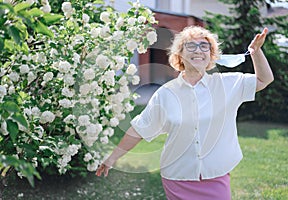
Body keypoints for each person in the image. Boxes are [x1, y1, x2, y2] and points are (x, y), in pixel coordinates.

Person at [96, 26, 274, 199]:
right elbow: (139, 129)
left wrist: (255, 52)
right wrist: (112, 159)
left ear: (210, 55)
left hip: (215, 175)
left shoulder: (227, 84)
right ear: (180, 54)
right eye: (191, 45)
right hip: (178, 177)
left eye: (204, 46)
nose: (198, 50)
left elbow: (264, 79)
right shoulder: (166, 94)